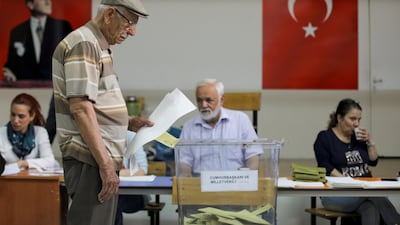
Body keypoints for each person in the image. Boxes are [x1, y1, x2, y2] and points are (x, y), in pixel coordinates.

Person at [52, 1, 152, 225]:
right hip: (92, 160)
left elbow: (93, 106)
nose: (133, 32)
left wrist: (126, 122)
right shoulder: (85, 44)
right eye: (129, 23)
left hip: (97, 158)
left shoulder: (100, 45)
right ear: (109, 14)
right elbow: (80, 108)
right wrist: (106, 165)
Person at [314, 98, 400, 225]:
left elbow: (373, 161)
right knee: (373, 194)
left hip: (364, 191)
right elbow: (325, 167)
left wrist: (370, 142)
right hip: (336, 195)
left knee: (370, 208)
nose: (356, 124)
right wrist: (351, 183)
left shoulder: (358, 138)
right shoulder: (325, 138)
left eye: (359, 119)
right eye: (352, 119)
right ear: (339, 118)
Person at [179, 78, 261, 176]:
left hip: (235, 183)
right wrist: (186, 182)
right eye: (199, 100)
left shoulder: (240, 120)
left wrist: (247, 179)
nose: (204, 105)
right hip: (200, 185)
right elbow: (184, 161)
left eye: (209, 100)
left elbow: (253, 155)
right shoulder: (189, 126)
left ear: (221, 100)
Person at [3, 0, 72, 82]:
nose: (48, 2)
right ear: (30, 4)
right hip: (27, 89)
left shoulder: (63, 27)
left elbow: (72, 58)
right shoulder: (17, 32)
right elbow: (11, 65)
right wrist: (9, 73)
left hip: (55, 89)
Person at [0, 93, 58, 170]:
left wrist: (23, 163)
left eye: (21, 116)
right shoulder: (1, 133)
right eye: (13, 115)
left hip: (32, 180)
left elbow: (50, 161)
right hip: (7, 180)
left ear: (32, 116)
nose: (16, 120)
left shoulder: (40, 132)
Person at [115, 131, 149, 225]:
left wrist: (112, 174)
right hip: (105, 192)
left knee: (114, 203)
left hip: (133, 195)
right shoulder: (96, 137)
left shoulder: (131, 137)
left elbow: (141, 170)